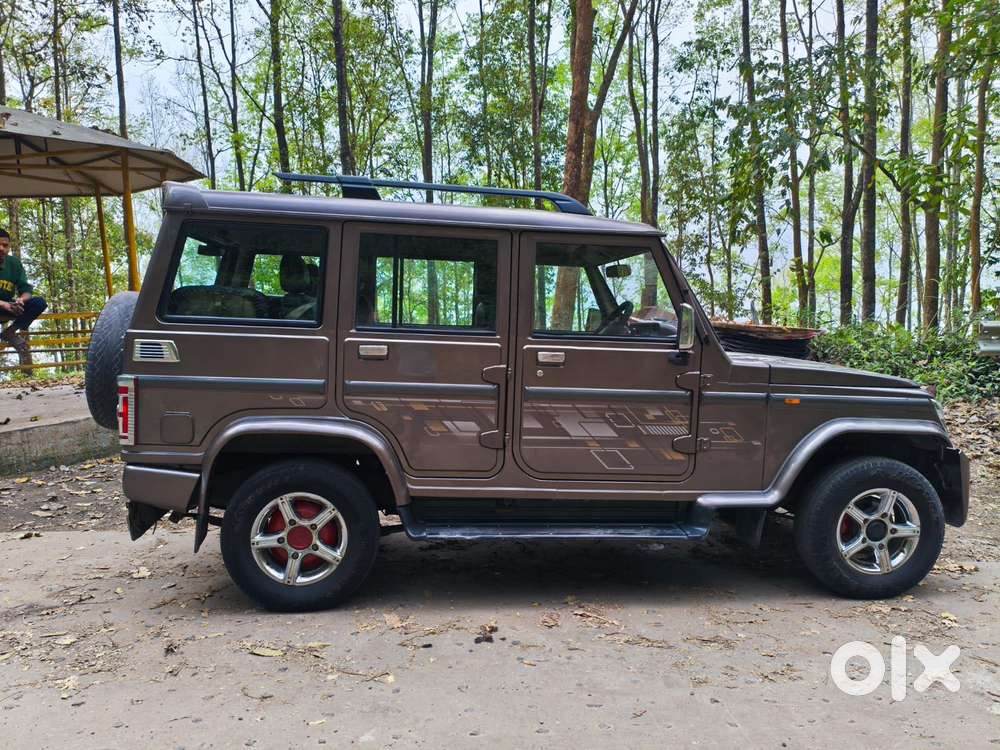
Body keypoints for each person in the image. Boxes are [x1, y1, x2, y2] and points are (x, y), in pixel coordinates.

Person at [0, 228, 47, 369]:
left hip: (7, 308)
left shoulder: (14, 264)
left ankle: (10, 332)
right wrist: (4, 305)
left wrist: (20, 300)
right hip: (4, 306)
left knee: (39, 303)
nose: (1, 248)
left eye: (5, 245)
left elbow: (26, 289)